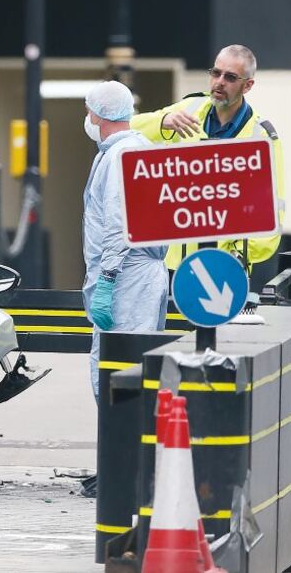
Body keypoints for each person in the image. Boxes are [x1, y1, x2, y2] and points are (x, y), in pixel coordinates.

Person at [131, 45, 285, 273]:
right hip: (173, 264)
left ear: (248, 85)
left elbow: (273, 209)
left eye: (230, 77)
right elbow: (127, 130)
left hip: (225, 266)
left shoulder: (262, 138)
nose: (219, 81)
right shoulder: (188, 109)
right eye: (215, 73)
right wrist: (162, 122)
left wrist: (239, 255)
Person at [82, 81, 169, 400]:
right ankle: (130, 445)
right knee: (128, 366)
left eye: (89, 110)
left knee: (119, 370)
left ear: (99, 115)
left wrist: (106, 279)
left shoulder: (122, 154)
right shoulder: (129, 149)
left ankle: (125, 448)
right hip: (134, 277)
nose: (88, 118)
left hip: (126, 279)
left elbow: (119, 223)